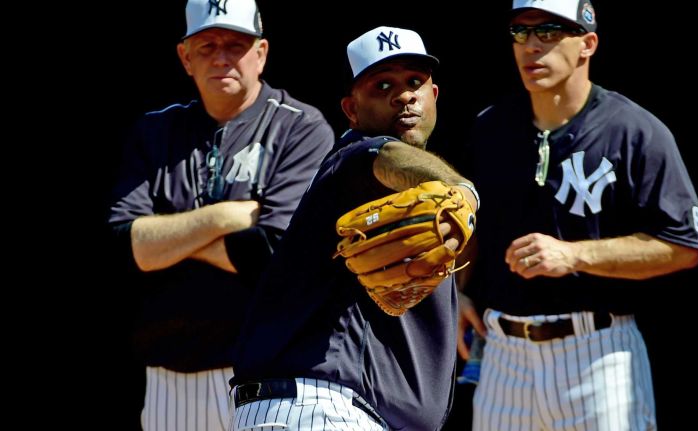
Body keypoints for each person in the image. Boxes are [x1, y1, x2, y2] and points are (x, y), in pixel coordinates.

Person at [459, 1, 698, 430]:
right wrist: (458, 291)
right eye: (521, 32)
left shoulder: (633, 131)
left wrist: (574, 255)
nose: (531, 46)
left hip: (597, 350)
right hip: (503, 353)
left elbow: (681, 246)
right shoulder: (491, 127)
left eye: (549, 33)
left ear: (587, 44)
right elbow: (473, 223)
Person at [229, 26, 479, 431]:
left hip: (332, 409)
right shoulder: (354, 159)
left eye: (415, 82)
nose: (403, 95)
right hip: (322, 406)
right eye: (382, 85)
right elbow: (386, 158)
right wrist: (463, 192)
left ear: (434, 95)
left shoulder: (414, 198)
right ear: (351, 109)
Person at [107, 0, 335, 429]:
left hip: (272, 372)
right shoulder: (155, 131)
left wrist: (168, 242)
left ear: (261, 53)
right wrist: (226, 217)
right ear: (185, 57)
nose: (222, 56)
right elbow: (125, 246)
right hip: (171, 376)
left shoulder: (301, 127)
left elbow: (275, 252)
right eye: (207, 45)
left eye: (236, 44)